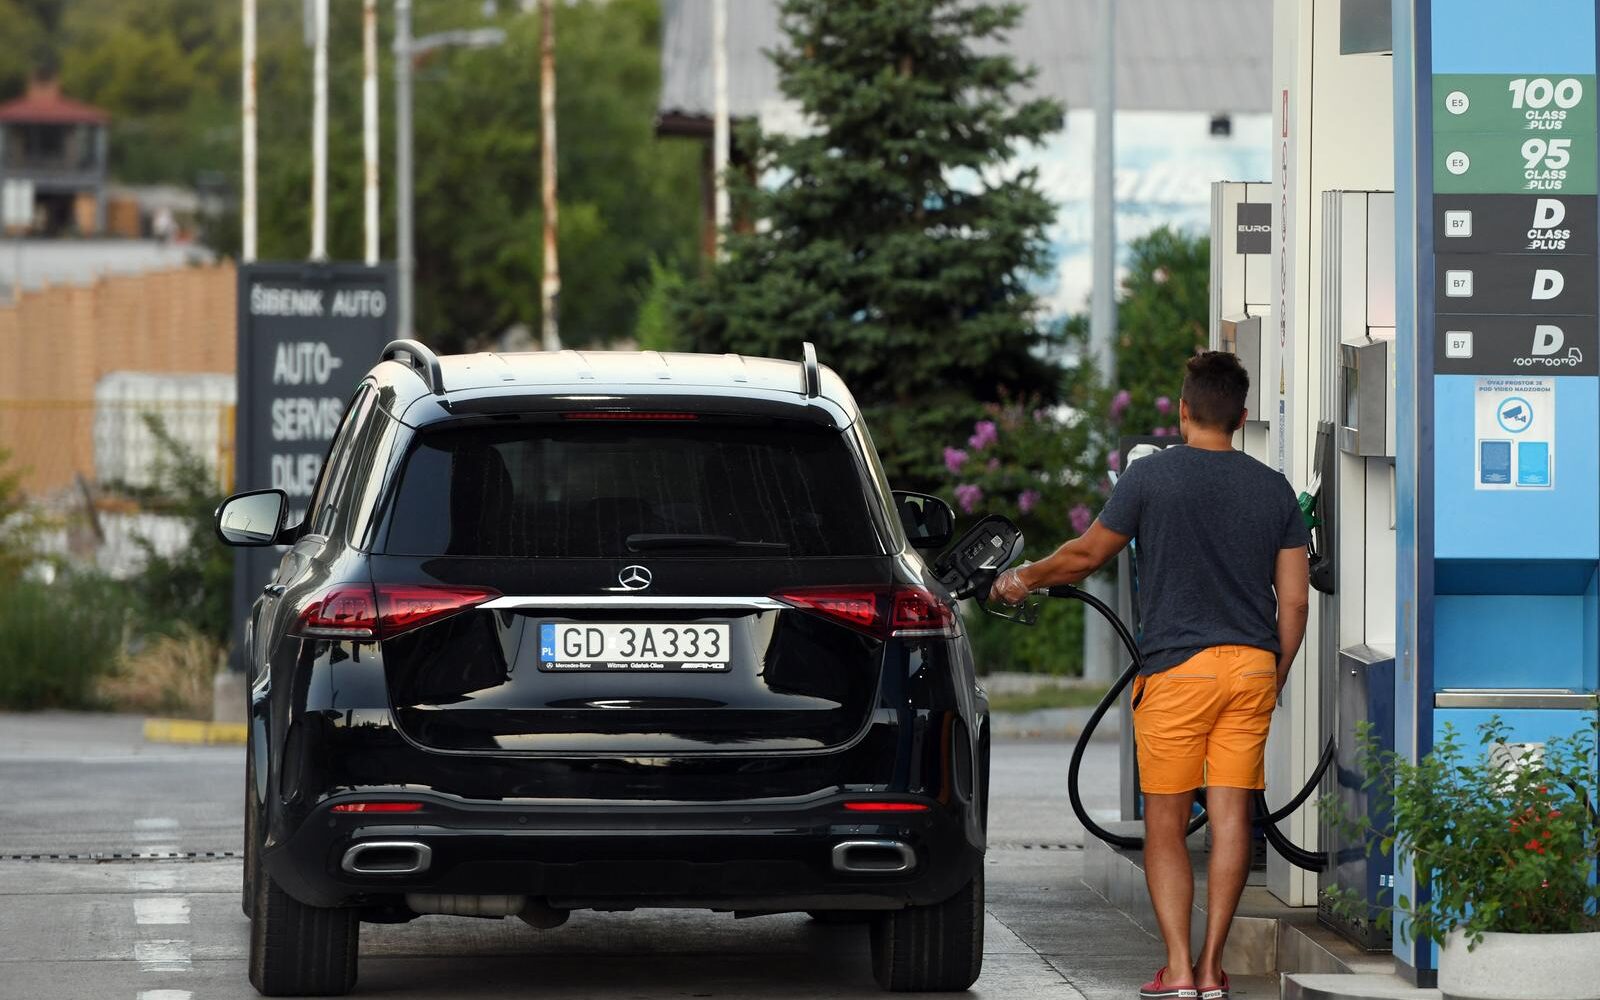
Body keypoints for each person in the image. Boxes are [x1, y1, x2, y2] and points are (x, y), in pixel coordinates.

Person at [990, 351, 1311, 1000]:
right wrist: (1275, 674)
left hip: (1178, 671)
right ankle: (1214, 969)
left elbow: (1086, 555)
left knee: (1165, 823)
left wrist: (1022, 578)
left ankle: (1179, 970)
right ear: (1242, 416)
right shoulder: (1274, 488)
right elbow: (1297, 602)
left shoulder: (1151, 477)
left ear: (1184, 411)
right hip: (1251, 666)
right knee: (1230, 816)